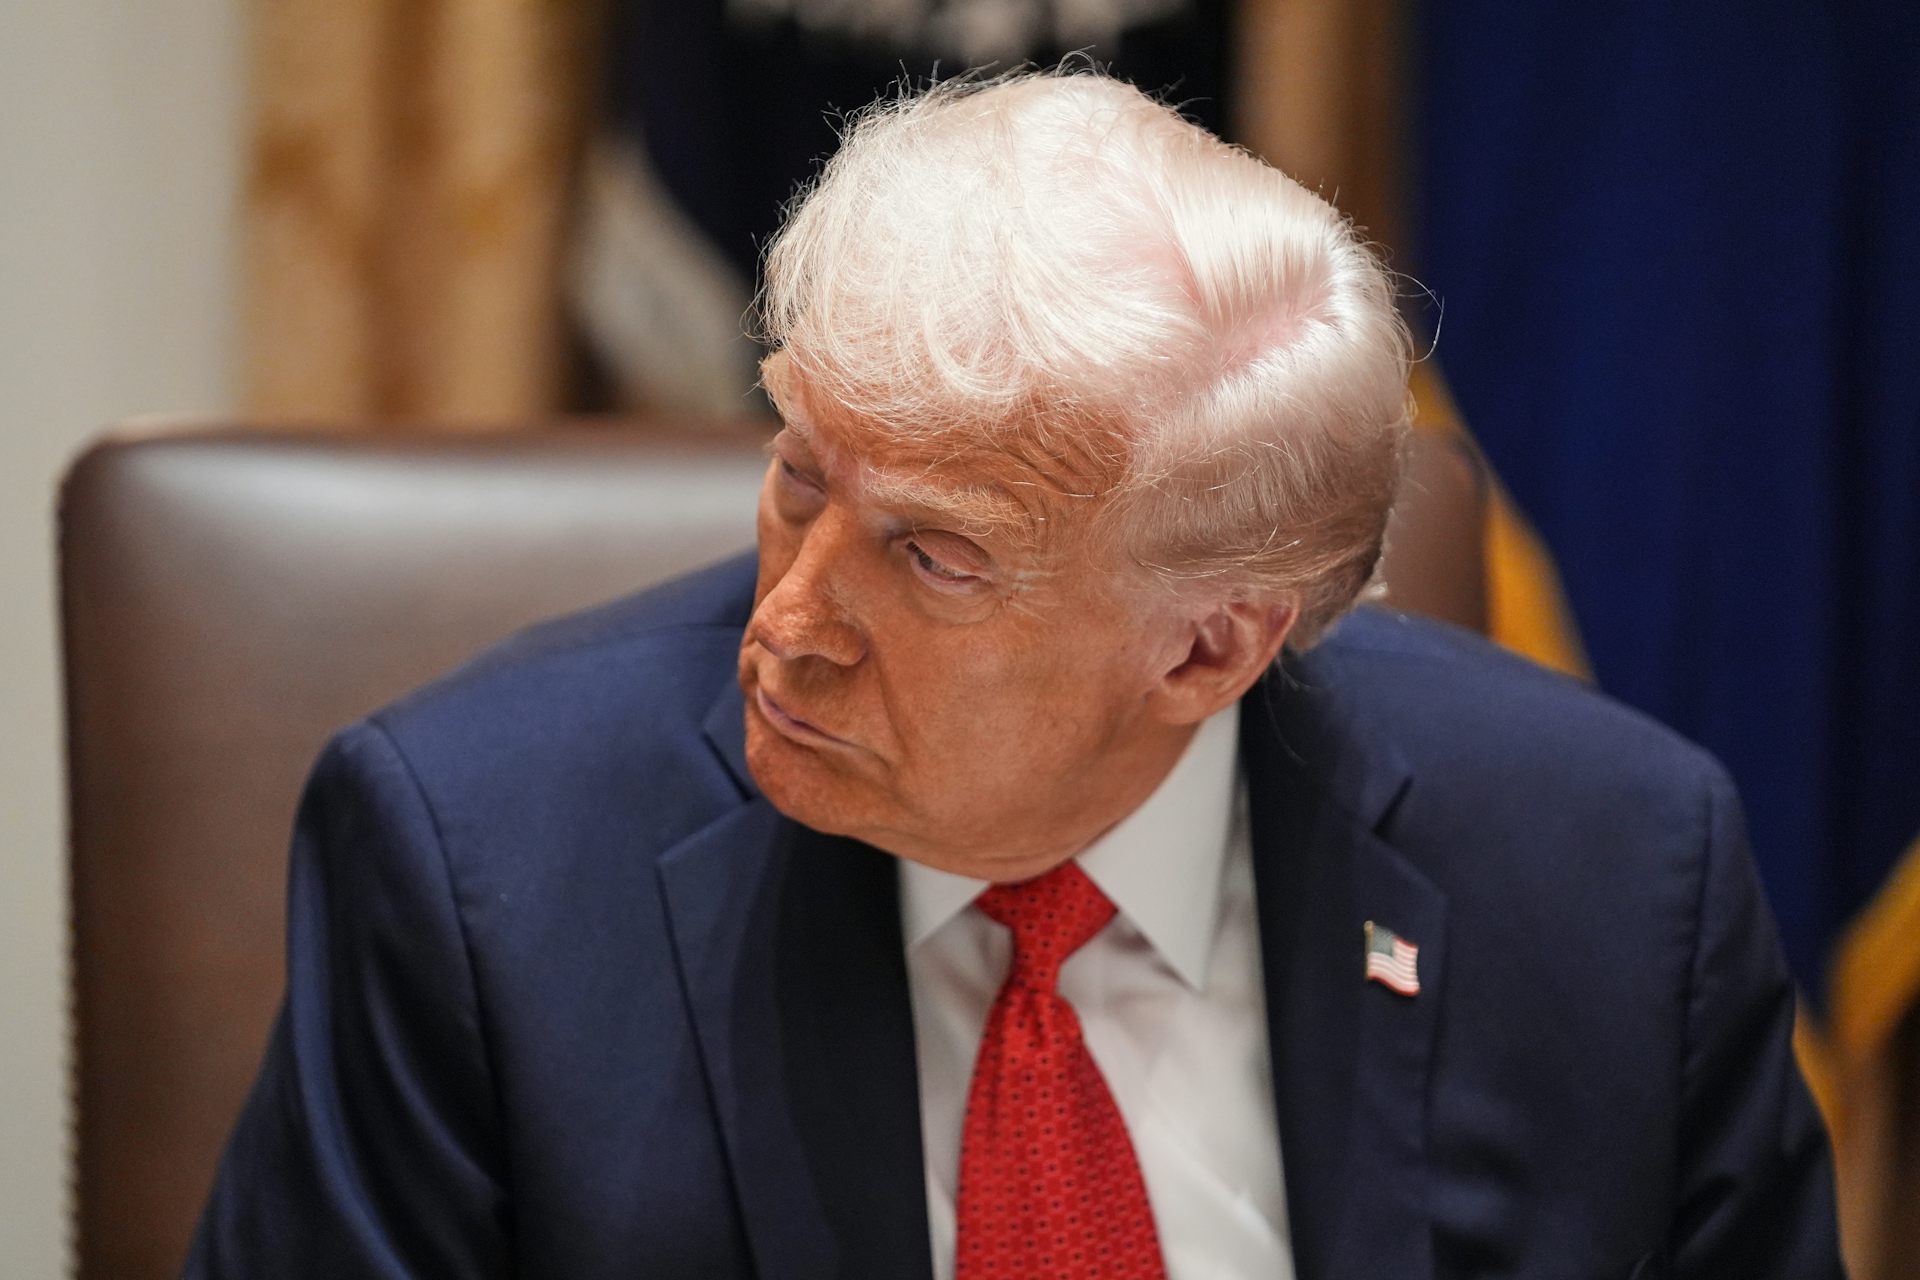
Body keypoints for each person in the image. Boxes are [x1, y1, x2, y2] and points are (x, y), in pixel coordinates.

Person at [185, 71, 1842, 1279]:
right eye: (798, 476)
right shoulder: (477, 866)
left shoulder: (1620, 882)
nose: (792, 624)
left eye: (932, 555)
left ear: (1210, 644)